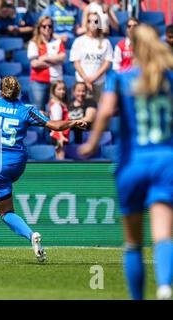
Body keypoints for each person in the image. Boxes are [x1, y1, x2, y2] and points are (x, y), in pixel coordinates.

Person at [79, 24, 173, 300]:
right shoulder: (168, 77)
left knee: (133, 242)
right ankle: (165, 286)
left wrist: (92, 143)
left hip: (133, 162)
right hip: (166, 160)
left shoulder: (120, 78)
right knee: (163, 235)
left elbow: (106, 111)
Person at [0, 76, 87, 262]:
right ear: (19, 92)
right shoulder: (26, 110)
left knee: (6, 212)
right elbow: (54, 125)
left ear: (0, 91)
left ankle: (26, 231)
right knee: (2, 196)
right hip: (17, 164)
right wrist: (72, 122)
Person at [70, 12, 113, 102]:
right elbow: (76, 63)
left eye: (96, 21)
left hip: (99, 83)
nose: (93, 24)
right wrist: (86, 79)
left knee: (98, 112)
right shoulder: (79, 41)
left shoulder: (106, 42)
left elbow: (107, 63)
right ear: (86, 23)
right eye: (90, 21)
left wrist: (93, 78)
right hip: (81, 83)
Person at [27, 16, 66, 111]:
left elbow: (62, 57)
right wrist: (54, 62)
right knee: (39, 111)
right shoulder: (34, 43)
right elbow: (34, 64)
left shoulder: (57, 42)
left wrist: (45, 58)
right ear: (39, 28)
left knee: (54, 110)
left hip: (55, 81)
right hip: (39, 80)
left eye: (50, 26)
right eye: (44, 26)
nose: (47, 28)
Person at [48, 80, 70, 160]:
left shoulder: (60, 102)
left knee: (60, 156)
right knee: (60, 157)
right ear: (53, 90)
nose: (62, 91)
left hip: (61, 134)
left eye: (64, 89)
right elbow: (58, 123)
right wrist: (61, 137)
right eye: (59, 89)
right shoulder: (56, 104)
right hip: (58, 135)